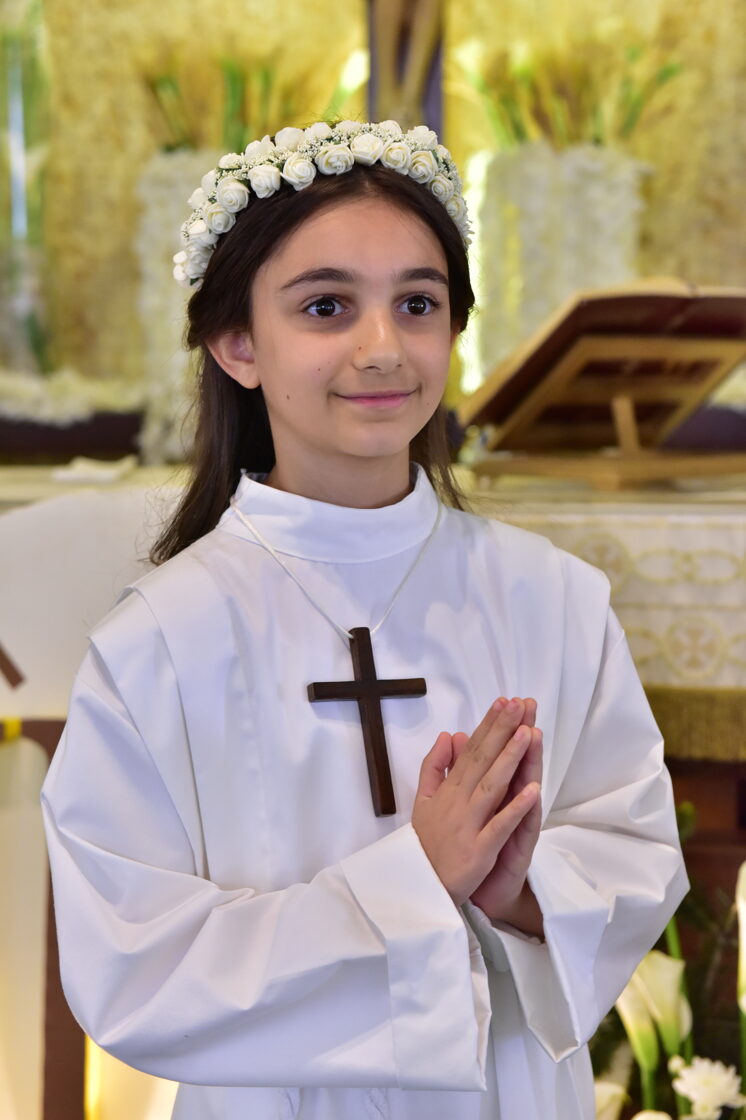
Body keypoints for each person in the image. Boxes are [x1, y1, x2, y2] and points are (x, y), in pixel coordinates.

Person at [41, 118, 688, 1120]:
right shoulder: (160, 641)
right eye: (326, 306)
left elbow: (634, 851)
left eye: (417, 304)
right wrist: (418, 878)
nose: (382, 348)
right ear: (237, 344)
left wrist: (520, 891)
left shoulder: (551, 597)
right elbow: (130, 960)